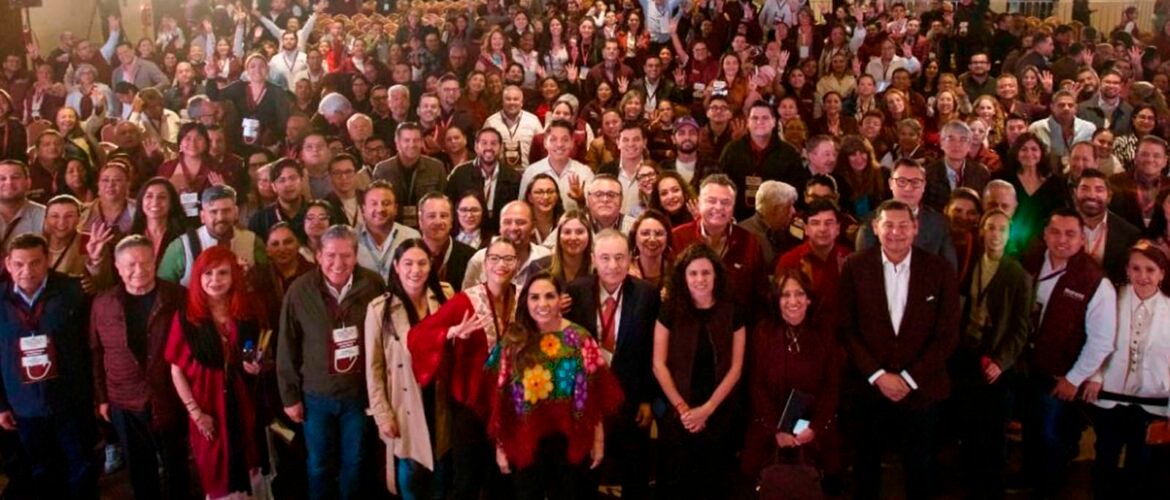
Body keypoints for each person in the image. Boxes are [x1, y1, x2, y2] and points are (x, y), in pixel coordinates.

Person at [838, 200, 960, 500]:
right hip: (869, 389)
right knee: (866, 468)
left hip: (921, 390)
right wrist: (878, 375)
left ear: (916, 229)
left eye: (903, 225)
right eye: (888, 225)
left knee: (921, 470)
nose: (896, 232)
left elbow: (946, 335)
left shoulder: (939, 269)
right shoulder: (855, 266)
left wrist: (908, 378)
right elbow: (847, 329)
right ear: (876, 229)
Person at [482, 271, 622, 499]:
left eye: (549, 296)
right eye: (534, 297)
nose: (542, 304)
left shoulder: (579, 338)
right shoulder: (514, 340)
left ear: (561, 299)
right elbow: (500, 399)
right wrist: (500, 447)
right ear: (525, 300)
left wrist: (598, 440)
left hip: (569, 439)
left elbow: (595, 397)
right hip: (524, 436)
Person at [277, 225, 386, 499]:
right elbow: (287, 344)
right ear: (318, 255)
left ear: (356, 255)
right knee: (318, 465)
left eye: (346, 255)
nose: (338, 263)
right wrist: (290, 396)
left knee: (356, 462)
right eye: (331, 255)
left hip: (358, 395)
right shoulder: (299, 291)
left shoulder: (373, 285)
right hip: (316, 396)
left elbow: (386, 340)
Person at [409, 237, 522, 498]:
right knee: (466, 479)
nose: (500, 265)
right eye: (494, 258)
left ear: (516, 264)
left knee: (501, 479)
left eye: (508, 259)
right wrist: (451, 332)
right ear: (485, 263)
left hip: (507, 404)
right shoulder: (465, 301)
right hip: (470, 404)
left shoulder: (520, 297)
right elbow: (418, 335)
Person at [1019, 208, 1117, 499]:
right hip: (1027, 368)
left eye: (1070, 233)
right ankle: (1031, 480)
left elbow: (1101, 340)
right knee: (1032, 432)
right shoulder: (1030, 263)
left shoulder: (1096, 282)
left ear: (1082, 239)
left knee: (1052, 437)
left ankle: (1047, 489)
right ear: (1045, 234)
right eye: (1055, 232)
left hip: (1060, 376)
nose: (1062, 239)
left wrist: (1074, 379)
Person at [90, 235, 189, 499]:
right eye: (130, 265)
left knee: (176, 464)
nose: (139, 271)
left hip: (170, 395)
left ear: (155, 261)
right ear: (118, 267)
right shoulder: (103, 303)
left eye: (145, 263)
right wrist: (102, 399)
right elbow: (96, 354)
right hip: (124, 398)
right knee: (139, 468)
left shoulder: (177, 296)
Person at [563, 229, 660, 499]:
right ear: (593, 258)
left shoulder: (646, 294)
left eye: (620, 257)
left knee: (634, 475)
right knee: (585, 475)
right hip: (586, 402)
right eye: (605, 258)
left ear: (630, 258)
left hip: (629, 400)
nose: (613, 265)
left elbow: (651, 349)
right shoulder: (574, 291)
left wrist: (646, 399)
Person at [0, 234, 98, 499]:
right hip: (24, 404)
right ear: (8, 263)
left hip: (71, 399)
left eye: (35, 262)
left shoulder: (74, 291)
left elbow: (92, 345)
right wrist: (1, 405)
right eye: (19, 264)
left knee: (82, 465)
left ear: (48, 261)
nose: (27, 271)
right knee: (42, 469)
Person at [166, 246, 265, 499]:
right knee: (216, 473)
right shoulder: (187, 317)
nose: (215, 280)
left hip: (243, 406)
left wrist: (253, 364)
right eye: (208, 274)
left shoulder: (246, 311)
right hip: (207, 407)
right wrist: (197, 414)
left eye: (223, 273)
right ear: (197, 277)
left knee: (250, 464)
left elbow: (251, 350)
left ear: (234, 276)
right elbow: (176, 370)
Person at [652, 243, 746, 499]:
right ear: (683, 277)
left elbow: (737, 366)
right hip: (678, 413)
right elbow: (658, 364)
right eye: (693, 273)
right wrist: (683, 409)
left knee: (715, 483)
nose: (700, 279)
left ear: (716, 275)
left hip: (720, 412)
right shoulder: (670, 308)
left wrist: (707, 409)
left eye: (706, 273)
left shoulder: (732, 309)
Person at [952, 209, 1032, 499]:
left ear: (1009, 235)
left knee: (995, 433)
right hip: (968, 354)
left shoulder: (1017, 274)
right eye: (991, 228)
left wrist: (1001, 361)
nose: (995, 234)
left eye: (1002, 229)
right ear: (982, 231)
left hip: (998, 359)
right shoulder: (969, 264)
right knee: (970, 426)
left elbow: (1021, 329)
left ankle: (992, 488)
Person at [364, 239, 453, 497]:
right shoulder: (380, 309)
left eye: (422, 263)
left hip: (438, 398)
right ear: (396, 266)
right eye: (408, 263)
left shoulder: (445, 296)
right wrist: (382, 414)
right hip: (404, 401)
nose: (416, 270)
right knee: (410, 467)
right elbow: (374, 368)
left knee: (440, 465)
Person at [741, 269, 842, 492]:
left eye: (799, 294)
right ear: (776, 300)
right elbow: (756, 387)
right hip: (769, 431)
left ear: (809, 298)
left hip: (816, 432)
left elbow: (831, 387)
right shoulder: (763, 333)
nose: (793, 301)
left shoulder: (824, 333)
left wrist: (815, 428)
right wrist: (777, 430)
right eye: (785, 295)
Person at [1083, 241, 1170, 499]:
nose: (1143, 276)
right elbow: (1095, 340)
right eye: (1136, 268)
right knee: (1105, 458)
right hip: (1110, 395)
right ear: (1127, 271)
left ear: (1162, 273)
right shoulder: (1111, 299)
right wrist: (1095, 376)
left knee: (1140, 464)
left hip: (1152, 399)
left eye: (1150, 270)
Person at [672, 174, 768, 319]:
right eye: (711, 201)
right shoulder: (678, 237)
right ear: (699, 203)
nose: (718, 207)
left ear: (733, 207)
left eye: (726, 202)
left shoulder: (750, 242)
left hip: (737, 328)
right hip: (688, 325)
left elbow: (761, 296)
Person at [858, 159, 959, 271]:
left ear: (924, 186)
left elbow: (950, 270)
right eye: (902, 181)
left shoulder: (939, 223)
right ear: (891, 184)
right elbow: (863, 270)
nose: (908, 188)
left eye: (915, 182)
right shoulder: (870, 222)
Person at [158, 185, 267, 287]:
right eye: (213, 212)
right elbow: (163, 290)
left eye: (226, 211)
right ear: (202, 216)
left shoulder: (253, 241)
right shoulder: (181, 247)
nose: (220, 218)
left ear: (236, 212)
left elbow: (265, 283)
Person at [718, 102, 805, 221]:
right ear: (747, 122)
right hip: (737, 218)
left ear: (774, 122)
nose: (760, 122)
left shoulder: (789, 153)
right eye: (755, 118)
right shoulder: (732, 150)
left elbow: (796, 191)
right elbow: (721, 184)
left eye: (765, 118)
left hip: (776, 221)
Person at [777, 199, 853, 317]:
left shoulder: (851, 259)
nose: (822, 229)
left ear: (838, 228)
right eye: (815, 223)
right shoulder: (789, 261)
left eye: (829, 223)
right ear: (806, 229)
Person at [445, 128, 523, 234]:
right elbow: (449, 206)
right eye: (484, 143)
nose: (489, 148)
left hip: (501, 233)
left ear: (501, 148)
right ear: (476, 147)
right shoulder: (460, 174)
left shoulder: (513, 176)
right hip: (467, 234)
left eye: (493, 143)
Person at [372, 122, 448, 229]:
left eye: (416, 140)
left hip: (428, 228)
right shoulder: (382, 170)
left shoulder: (436, 168)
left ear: (422, 142)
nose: (412, 145)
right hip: (392, 228)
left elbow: (444, 202)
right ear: (397, 143)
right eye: (406, 140)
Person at [462, 201, 552, 290]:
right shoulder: (480, 259)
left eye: (520, 222)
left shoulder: (546, 258)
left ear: (533, 226)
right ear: (500, 227)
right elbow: (467, 299)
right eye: (507, 222)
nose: (513, 228)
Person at [1073, 170, 1142, 285]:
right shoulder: (1057, 227)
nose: (1091, 195)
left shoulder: (1129, 234)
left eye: (1099, 190)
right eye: (1085, 189)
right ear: (1075, 193)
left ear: (1109, 196)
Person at [520, 121, 595, 213]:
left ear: (572, 143)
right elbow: (522, 207)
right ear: (545, 143)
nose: (559, 144)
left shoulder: (584, 172)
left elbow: (594, 210)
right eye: (553, 139)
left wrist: (581, 199)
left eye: (565, 140)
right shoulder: (532, 172)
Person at [356, 180, 422, 279]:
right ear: (363, 209)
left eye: (386, 203)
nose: (380, 209)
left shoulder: (411, 237)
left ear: (395, 208)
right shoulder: (351, 239)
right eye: (374, 203)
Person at [924, 120, 992, 211]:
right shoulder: (928, 173)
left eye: (963, 139)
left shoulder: (981, 173)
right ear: (941, 143)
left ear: (969, 145)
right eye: (951, 139)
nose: (957, 144)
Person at [417, 192, 475, 290]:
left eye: (443, 216)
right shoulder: (407, 256)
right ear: (420, 221)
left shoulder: (471, 257)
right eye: (431, 216)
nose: (438, 221)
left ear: (451, 221)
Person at [737, 180, 802, 267]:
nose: (794, 211)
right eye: (789, 206)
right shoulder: (742, 235)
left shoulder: (787, 232)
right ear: (775, 209)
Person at [129, 177, 187, 266]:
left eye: (162, 197)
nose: (155, 202)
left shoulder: (184, 237)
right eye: (149, 196)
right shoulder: (129, 237)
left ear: (171, 203)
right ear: (141, 201)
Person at [0, 160, 47, 256]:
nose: (9, 182)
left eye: (15, 177)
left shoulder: (44, 215)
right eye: (2, 178)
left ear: (28, 182)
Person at [627, 210, 673, 289]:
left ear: (667, 238)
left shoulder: (677, 271)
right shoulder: (624, 272)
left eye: (659, 234)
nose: (652, 239)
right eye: (645, 233)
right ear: (634, 237)